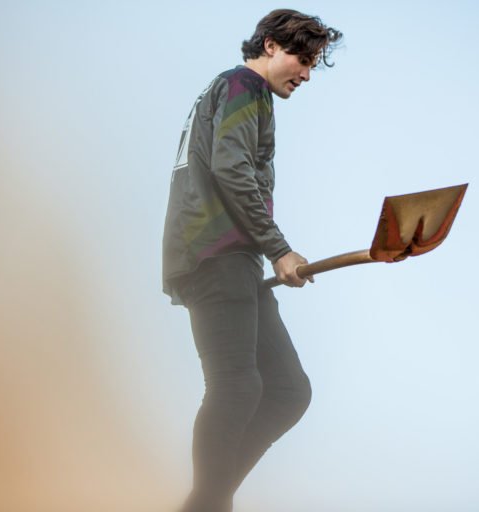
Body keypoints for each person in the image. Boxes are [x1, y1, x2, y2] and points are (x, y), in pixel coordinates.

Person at [162, 9, 342, 512]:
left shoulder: (234, 90)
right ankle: (208, 504)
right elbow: (231, 167)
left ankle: (206, 501)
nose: (307, 74)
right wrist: (279, 249)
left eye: (313, 65)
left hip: (234, 257)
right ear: (270, 46)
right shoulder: (245, 86)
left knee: (288, 391)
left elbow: (231, 165)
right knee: (237, 387)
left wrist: (267, 251)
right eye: (302, 59)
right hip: (216, 253)